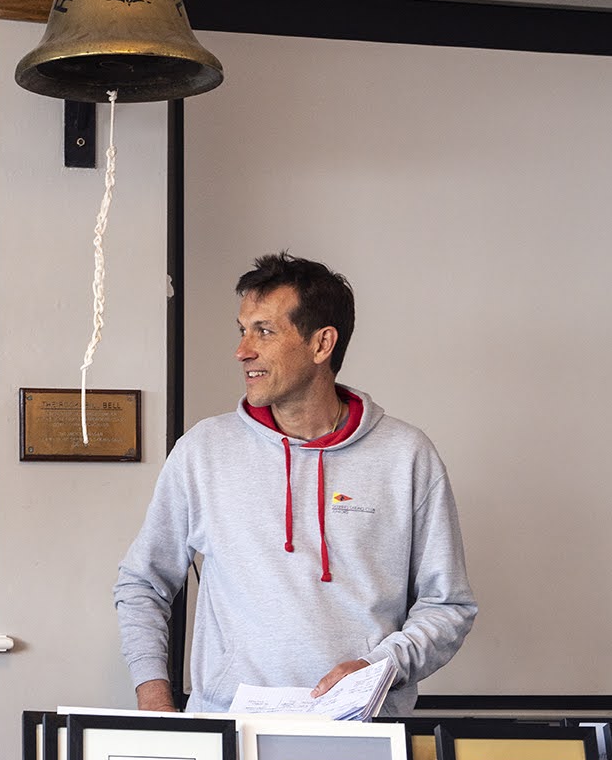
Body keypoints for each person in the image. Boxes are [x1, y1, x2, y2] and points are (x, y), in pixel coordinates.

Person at [114, 251, 477, 715]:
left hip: (358, 730)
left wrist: (381, 665)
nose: (243, 350)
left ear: (322, 344)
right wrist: (154, 697)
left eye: (264, 331)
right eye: (242, 330)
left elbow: (447, 606)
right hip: (229, 727)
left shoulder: (406, 456)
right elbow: (142, 582)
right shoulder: (204, 450)